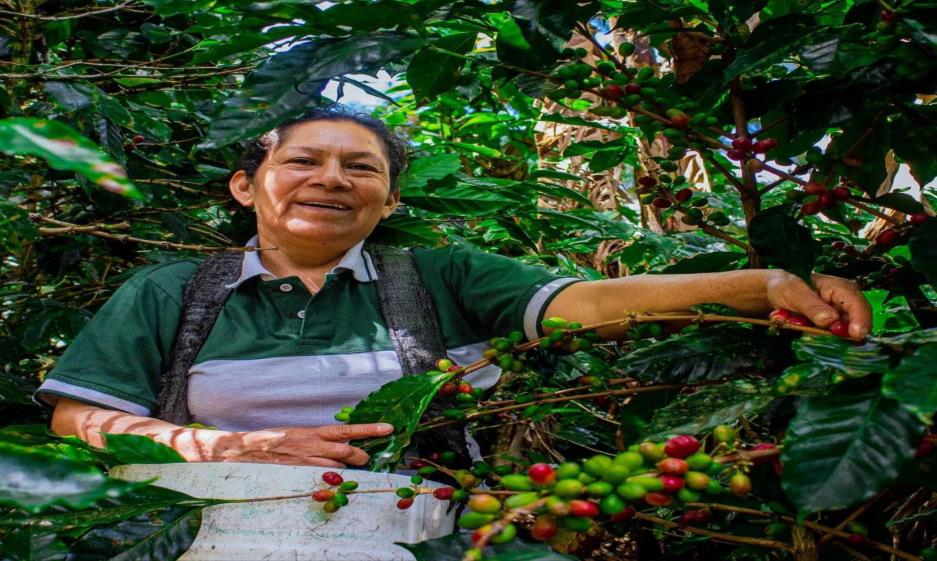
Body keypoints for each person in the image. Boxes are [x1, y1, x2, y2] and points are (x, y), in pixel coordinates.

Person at [38, 107, 872, 468]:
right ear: (244, 186)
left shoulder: (442, 276)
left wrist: (761, 284)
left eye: (359, 167)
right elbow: (77, 418)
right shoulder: (171, 292)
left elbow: (583, 305)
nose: (330, 179)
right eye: (301, 161)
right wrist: (225, 446)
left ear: (390, 199)